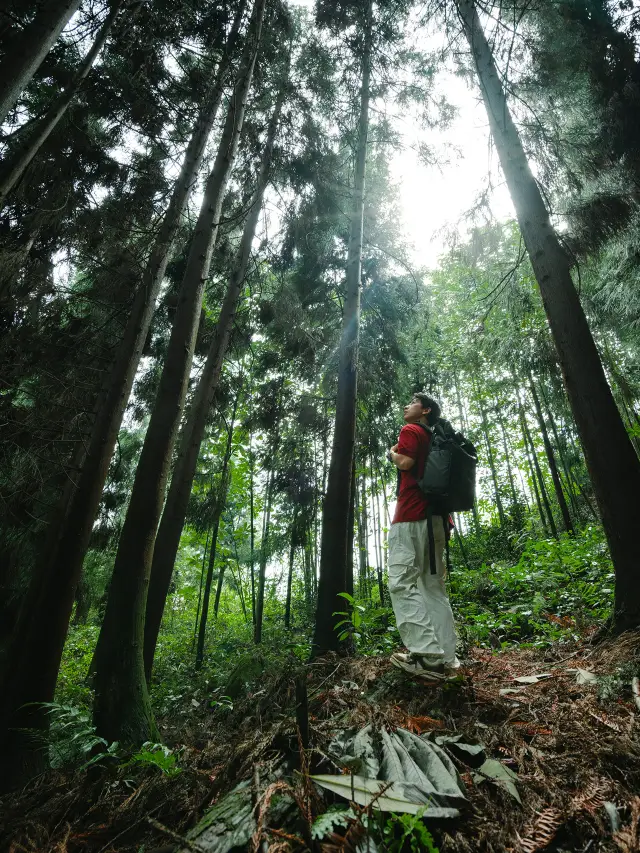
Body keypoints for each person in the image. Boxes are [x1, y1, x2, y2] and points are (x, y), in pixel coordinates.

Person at [386, 392, 459, 680]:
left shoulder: (411, 429)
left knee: (401, 582)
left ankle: (427, 655)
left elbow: (404, 463)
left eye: (412, 402)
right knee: (432, 588)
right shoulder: (435, 438)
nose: (406, 406)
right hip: (438, 521)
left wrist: (391, 454)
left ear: (425, 410)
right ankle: (447, 657)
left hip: (412, 517)